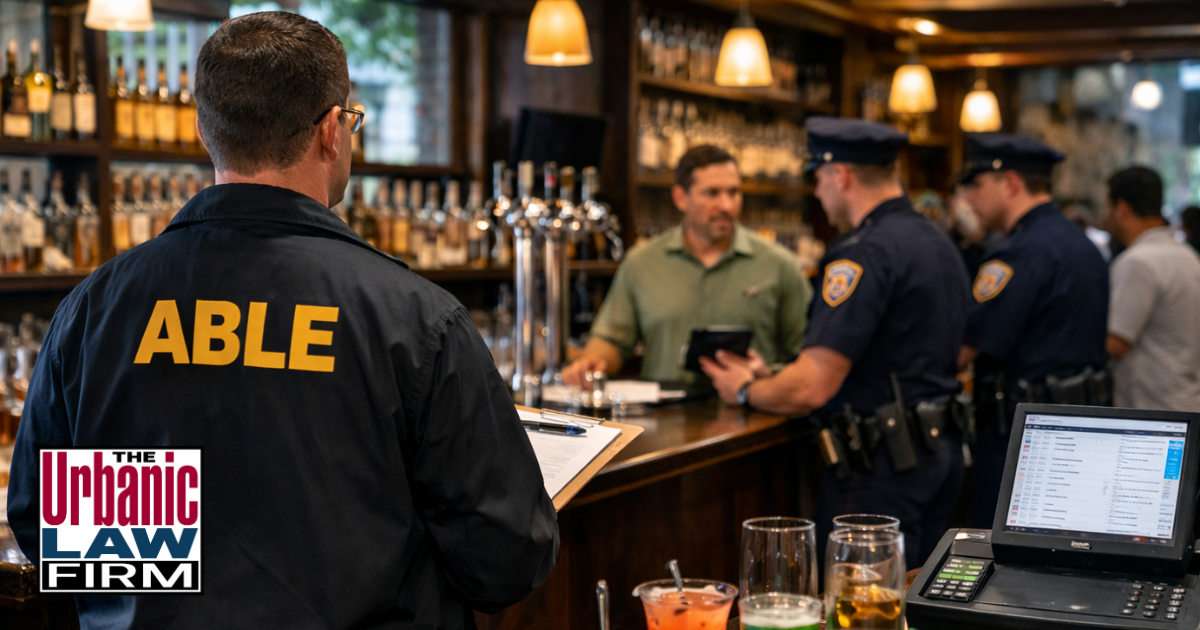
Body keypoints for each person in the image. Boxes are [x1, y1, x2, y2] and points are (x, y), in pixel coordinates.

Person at [7, 12, 557, 629]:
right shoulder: (417, 318)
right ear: (331, 130)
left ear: (202, 130)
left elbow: (46, 531)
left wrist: (185, 562)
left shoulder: (95, 311)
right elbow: (505, 561)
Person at [703, 118, 970, 568]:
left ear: (840, 175)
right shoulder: (935, 240)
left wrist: (746, 390)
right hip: (937, 453)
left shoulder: (863, 251)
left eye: (819, 178)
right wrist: (775, 375)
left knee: (861, 608)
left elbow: (813, 387)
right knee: (910, 603)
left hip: (881, 465)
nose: (818, 192)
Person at [957, 133, 1109, 530]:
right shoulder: (1082, 243)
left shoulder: (1018, 253)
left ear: (1009, 183)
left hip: (1024, 442)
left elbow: (963, 349)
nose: (969, 198)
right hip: (1083, 430)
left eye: (976, 185)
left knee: (1004, 562)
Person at [562, 145, 811, 386]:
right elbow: (612, 339)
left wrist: (768, 374)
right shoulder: (642, 261)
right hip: (665, 420)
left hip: (752, 417)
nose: (726, 205)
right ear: (681, 197)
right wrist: (592, 362)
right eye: (712, 193)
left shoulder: (779, 264)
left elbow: (807, 354)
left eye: (734, 192)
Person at [1104, 167, 1200, 411]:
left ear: (1122, 208)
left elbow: (1115, 343)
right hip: (1185, 399)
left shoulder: (1138, 262)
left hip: (1153, 411)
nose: (1106, 218)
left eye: (1108, 208)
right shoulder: (1186, 255)